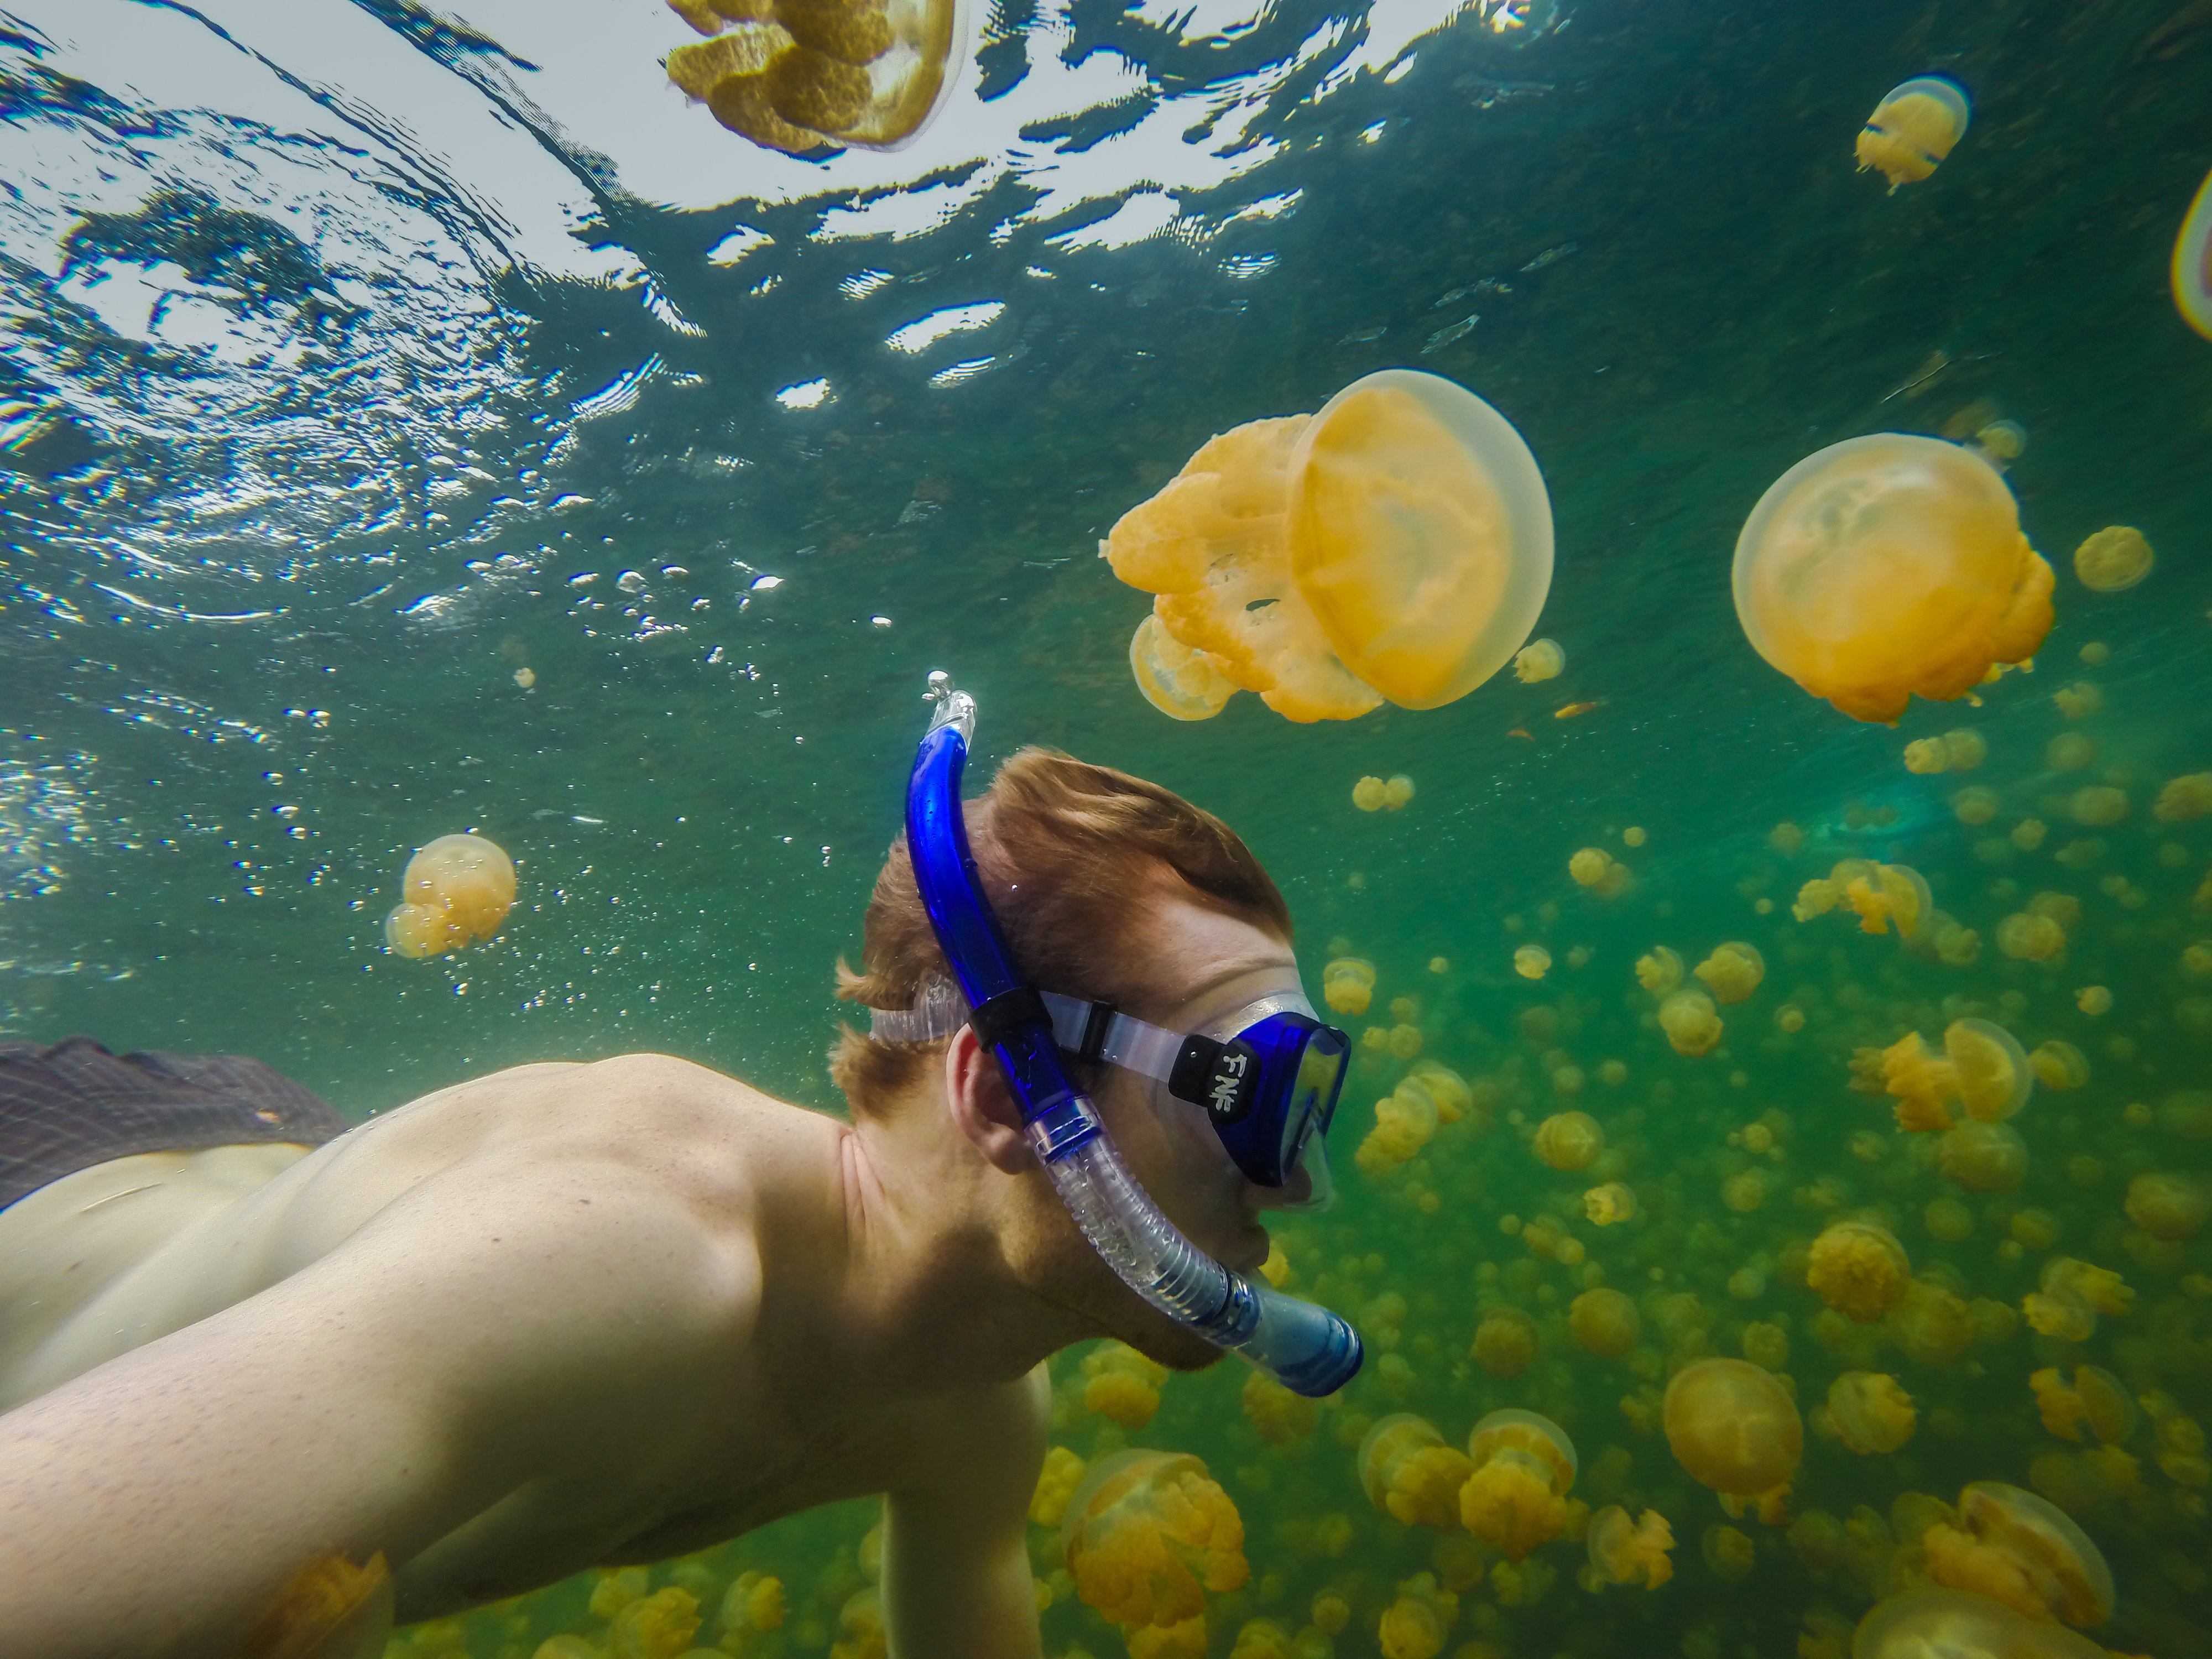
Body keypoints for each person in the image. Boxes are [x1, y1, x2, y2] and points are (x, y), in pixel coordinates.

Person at [0, 739, 1348, 1659]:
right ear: (1002, 1098)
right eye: (1254, 1094)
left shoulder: (979, 1414)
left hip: (283, 1152)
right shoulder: (629, 1258)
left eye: (1313, 1103)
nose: (1297, 1179)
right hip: (49, 1176)